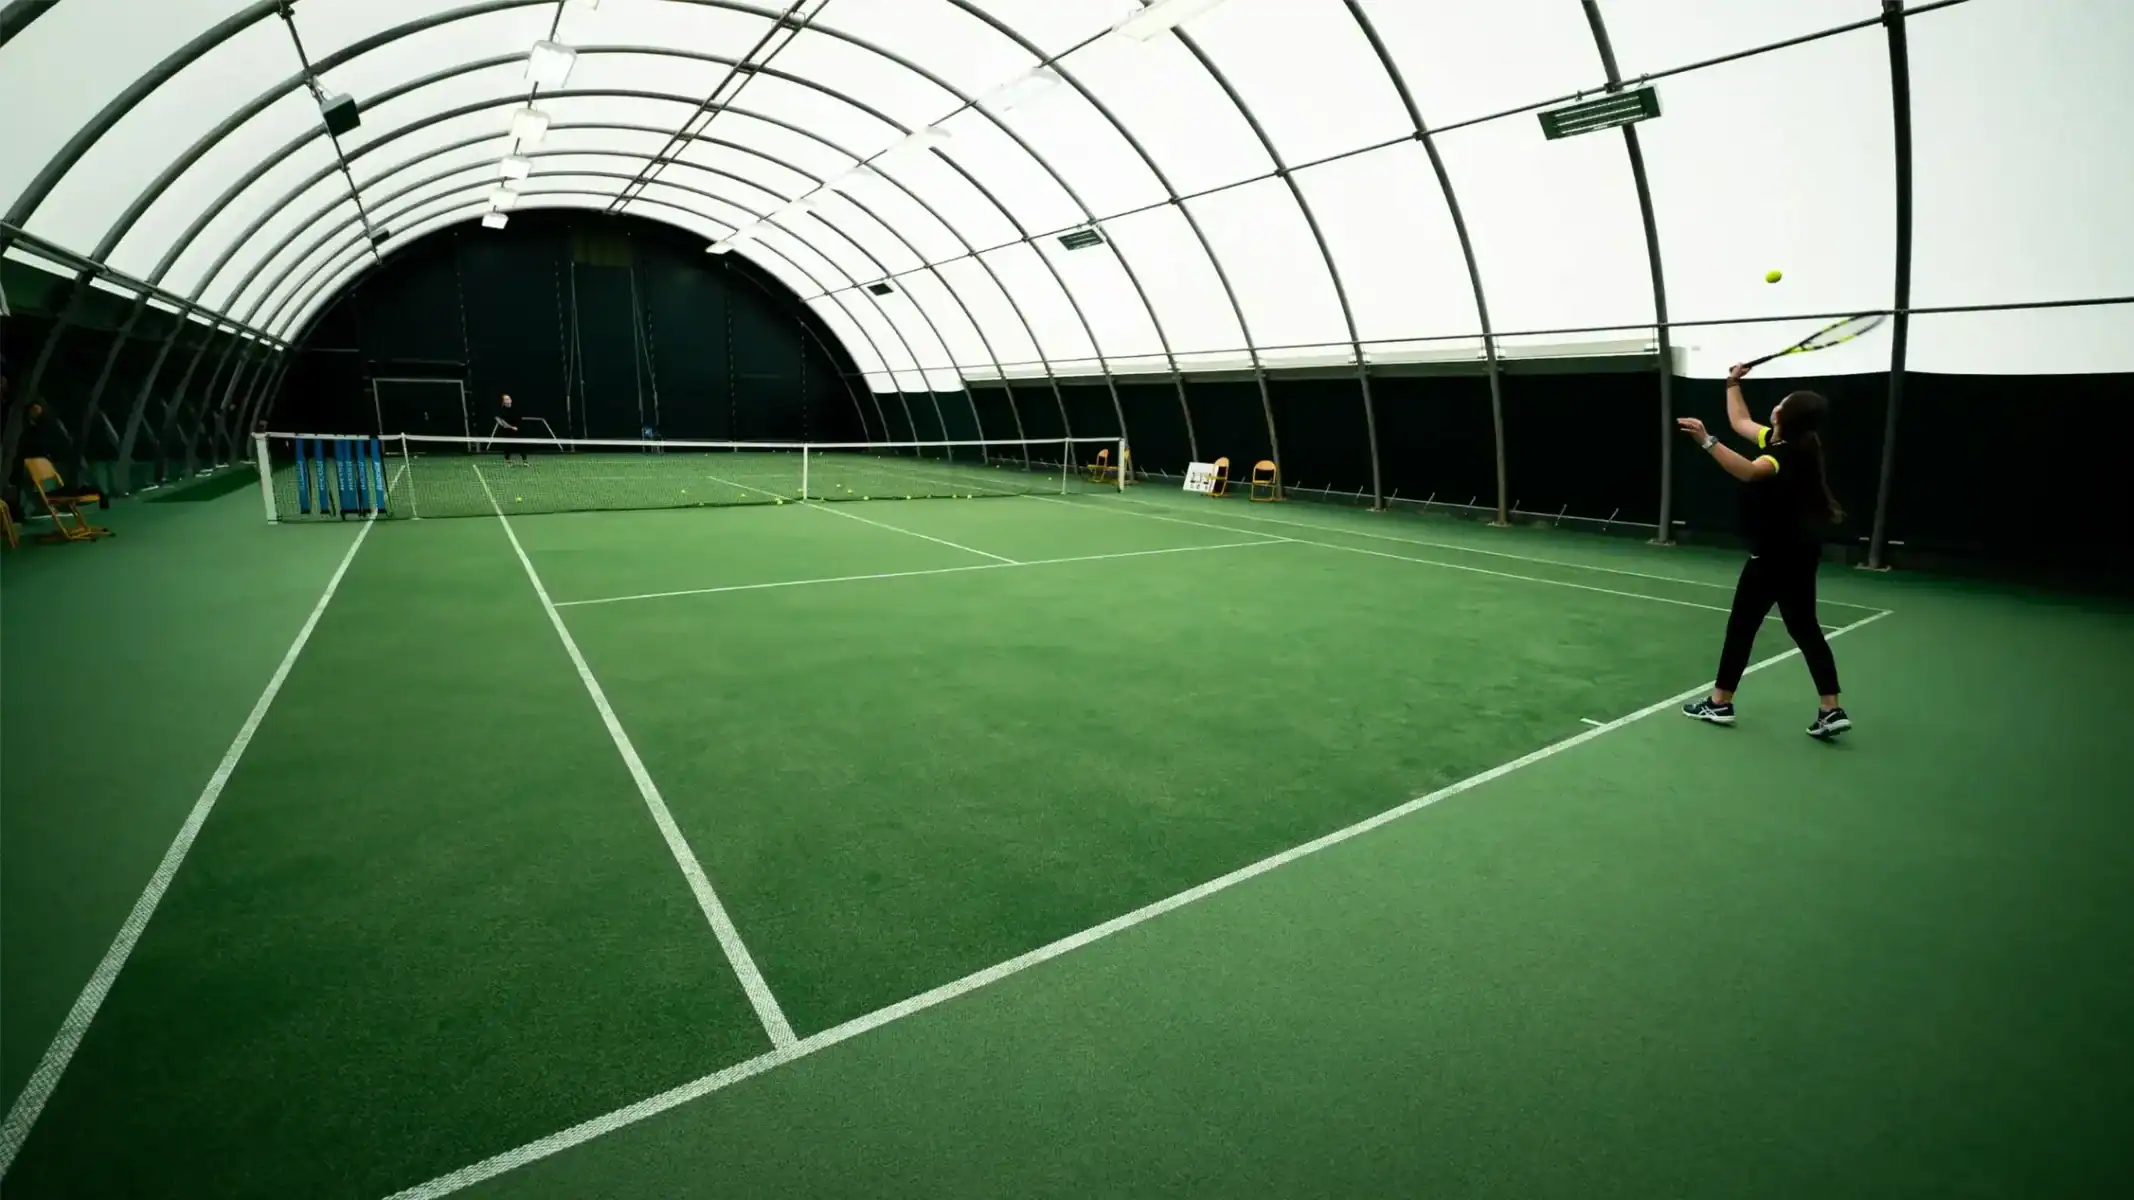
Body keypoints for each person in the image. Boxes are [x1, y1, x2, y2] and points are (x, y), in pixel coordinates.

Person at [1677, 362, 1852, 739]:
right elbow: (1740, 421)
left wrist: (1707, 441)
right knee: (1805, 628)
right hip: (1801, 554)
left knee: (1741, 626)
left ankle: (1720, 702)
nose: (1777, 404)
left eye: (1783, 402)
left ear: (1786, 415)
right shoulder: (1793, 442)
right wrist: (1732, 382)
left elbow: (1750, 471)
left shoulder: (1783, 453)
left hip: (1774, 556)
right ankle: (1831, 708)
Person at [493, 394, 528, 465]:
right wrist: (511, 427)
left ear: (511, 400)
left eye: (508, 398)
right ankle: (507, 460)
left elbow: (519, 419)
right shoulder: (502, 411)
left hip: (517, 430)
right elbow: (501, 422)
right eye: (506, 399)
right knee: (507, 447)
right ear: (503, 402)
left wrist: (518, 427)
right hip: (507, 431)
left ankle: (525, 461)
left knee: (521, 445)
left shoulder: (516, 409)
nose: (508, 400)